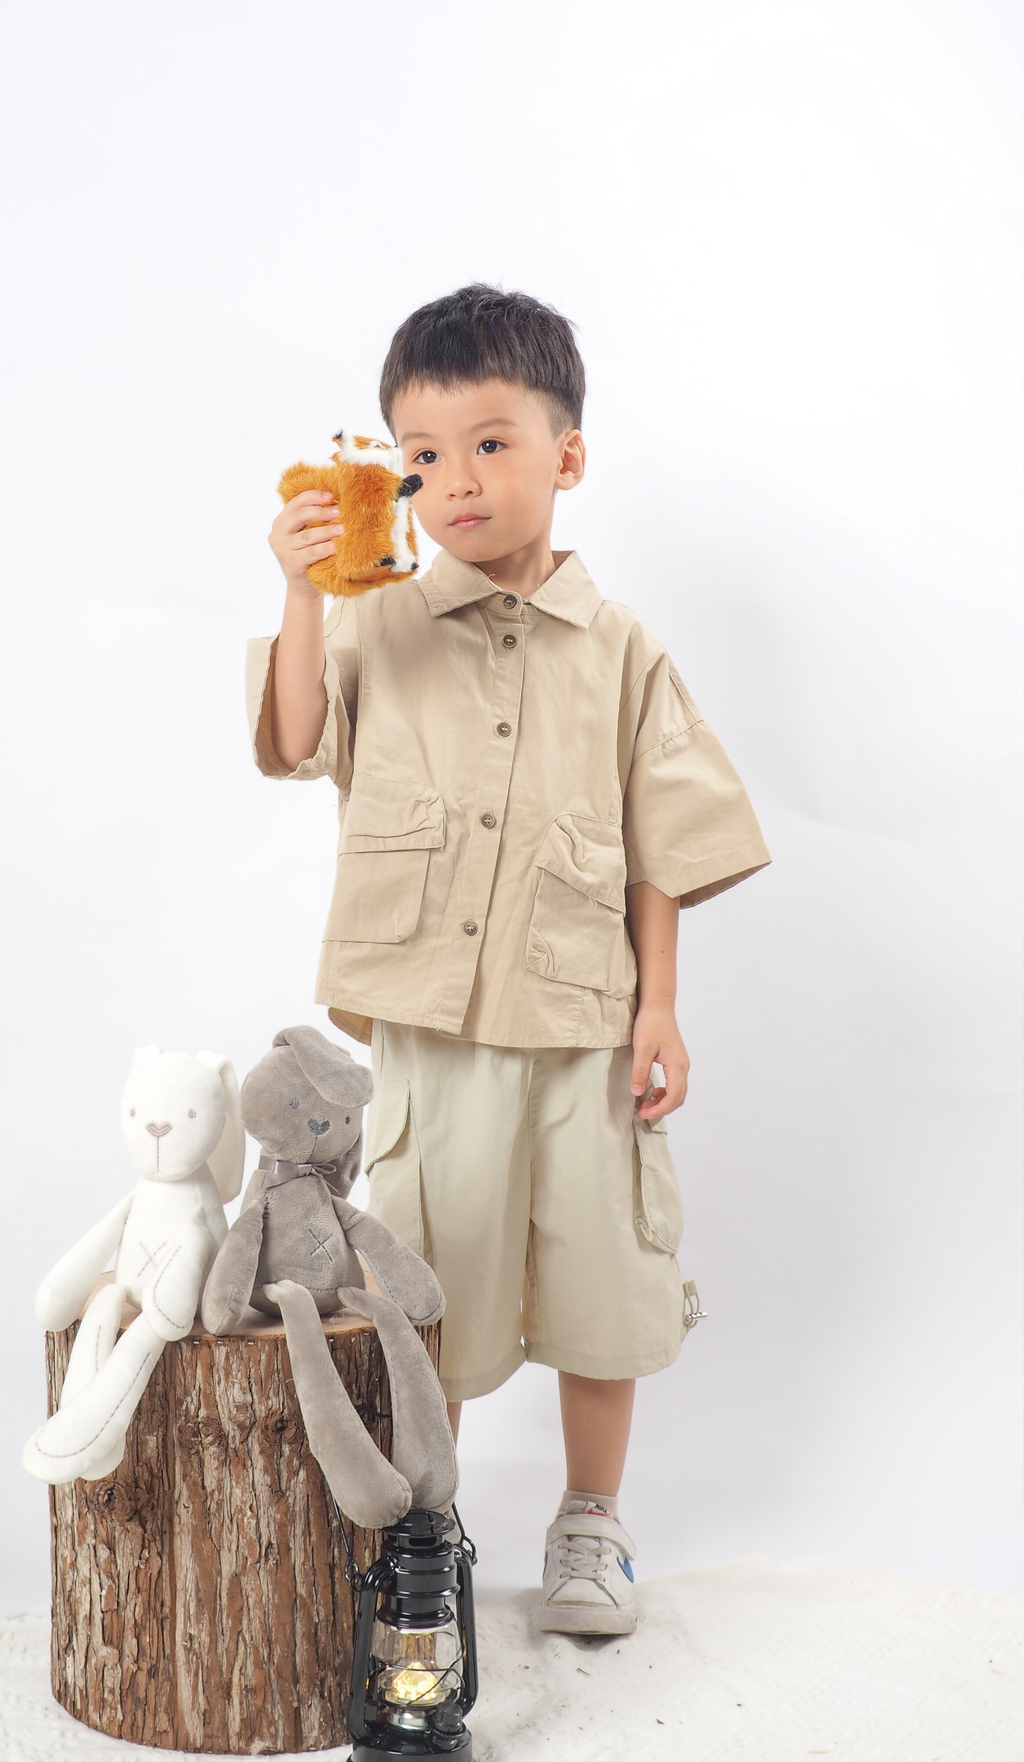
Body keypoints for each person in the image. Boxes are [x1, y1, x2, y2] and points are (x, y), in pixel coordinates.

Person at [246, 284, 769, 1635]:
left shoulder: (622, 648)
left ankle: (593, 1518)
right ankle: (428, 1524)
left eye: (492, 442)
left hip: (586, 1023)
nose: (457, 480)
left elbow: (665, 837)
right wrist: (300, 592)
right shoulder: (373, 621)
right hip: (431, 1027)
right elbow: (294, 737)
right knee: (433, 1284)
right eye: (422, 455)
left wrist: (662, 1007)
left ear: (567, 454)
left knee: (607, 1280)